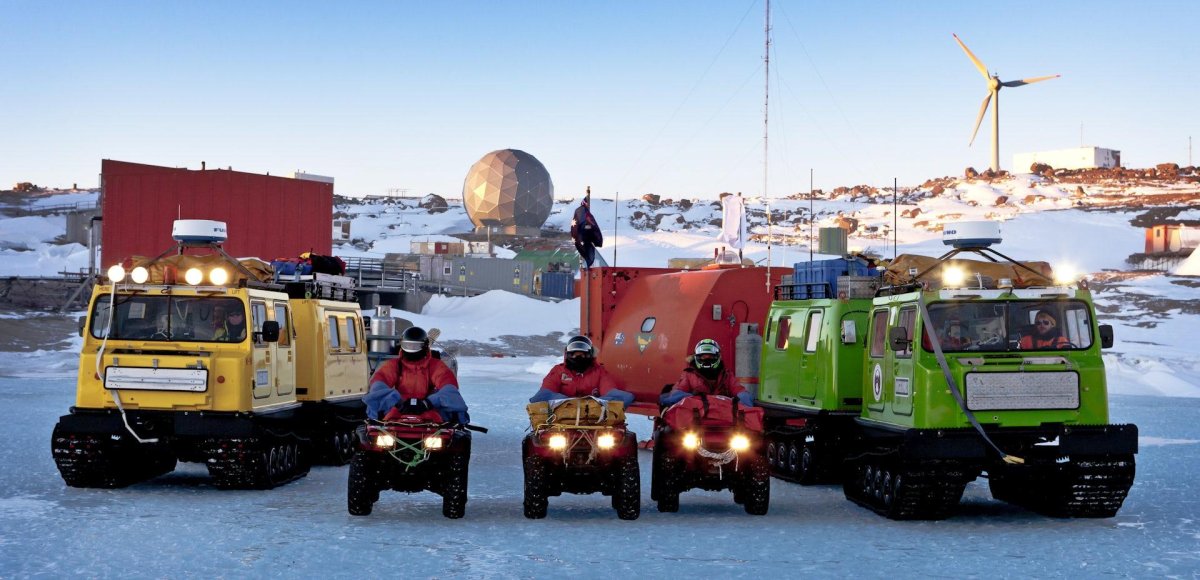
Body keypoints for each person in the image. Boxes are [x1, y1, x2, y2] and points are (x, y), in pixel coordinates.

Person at [363, 326, 469, 424]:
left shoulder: (435, 366)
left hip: (428, 408)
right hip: (400, 408)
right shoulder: (395, 365)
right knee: (387, 420)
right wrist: (397, 401)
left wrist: (428, 402)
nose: (411, 349)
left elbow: (450, 388)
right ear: (402, 345)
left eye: (415, 346)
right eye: (408, 345)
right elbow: (378, 384)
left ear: (424, 346)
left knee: (437, 420)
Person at [530, 335, 633, 405]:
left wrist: (597, 403)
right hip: (560, 419)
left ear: (589, 355)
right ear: (568, 354)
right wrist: (568, 402)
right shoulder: (558, 371)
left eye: (582, 355)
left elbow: (610, 391)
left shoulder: (599, 372)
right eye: (574, 354)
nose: (578, 357)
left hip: (594, 419)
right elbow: (545, 393)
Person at [661, 339, 754, 407]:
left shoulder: (727, 375)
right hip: (695, 419)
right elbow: (677, 393)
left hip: (723, 419)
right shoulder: (689, 375)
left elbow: (739, 390)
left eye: (711, 357)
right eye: (703, 357)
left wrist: (744, 400)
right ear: (696, 357)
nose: (707, 359)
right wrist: (692, 399)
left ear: (717, 357)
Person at [570, 188, 603, 268]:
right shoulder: (582, 213)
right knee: (587, 250)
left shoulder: (584, 214)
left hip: (585, 236)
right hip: (583, 238)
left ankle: (588, 262)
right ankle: (588, 260)